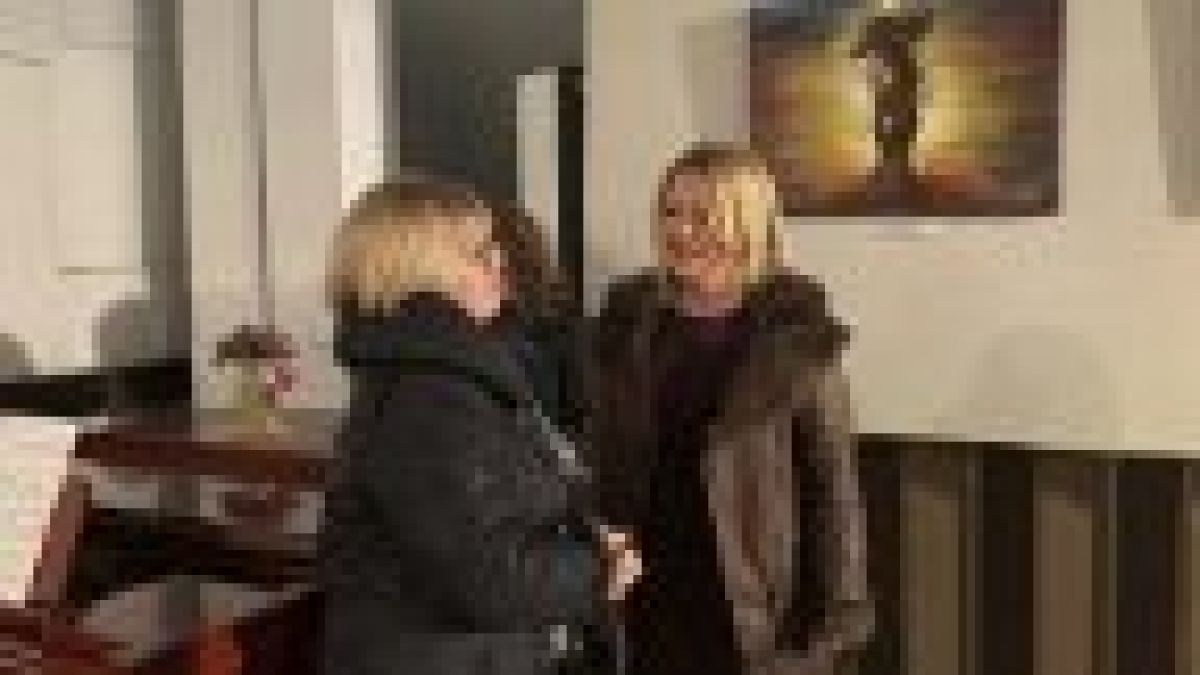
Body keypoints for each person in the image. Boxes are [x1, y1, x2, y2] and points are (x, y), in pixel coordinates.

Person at [320, 177, 637, 675]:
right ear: (421, 270)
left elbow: (489, 521)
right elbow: (483, 579)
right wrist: (599, 573)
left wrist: (579, 540)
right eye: (480, 251)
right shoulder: (429, 396)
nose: (501, 261)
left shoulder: (444, 374)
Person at [584, 143, 874, 675]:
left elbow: (832, 484)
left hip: (750, 595)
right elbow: (600, 452)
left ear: (747, 222)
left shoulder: (795, 335)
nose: (680, 230)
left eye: (702, 216)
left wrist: (839, 616)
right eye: (670, 211)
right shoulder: (628, 323)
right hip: (642, 582)